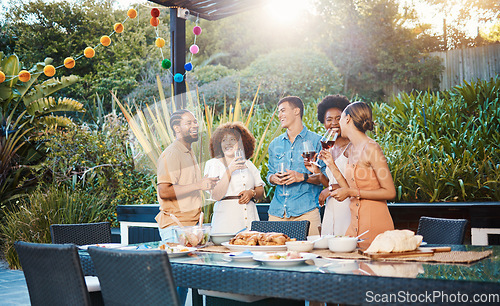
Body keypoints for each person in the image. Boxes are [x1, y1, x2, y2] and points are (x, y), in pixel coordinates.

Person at [330, 101, 396, 249]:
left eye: (340, 118)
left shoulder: (371, 148)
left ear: (347, 119)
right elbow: (348, 188)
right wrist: (330, 164)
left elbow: (390, 192)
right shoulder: (350, 149)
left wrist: (351, 192)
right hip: (354, 225)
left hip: (374, 224)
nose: (337, 123)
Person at [267, 96, 325, 236]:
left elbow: (324, 179)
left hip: (307, 213)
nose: (279, 115)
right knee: (273, 256)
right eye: (279, 112)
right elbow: (269, 174)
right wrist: (273, 178)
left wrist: (301, 177)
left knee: (310, 256)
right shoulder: (275, 144)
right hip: (277, 213)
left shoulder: (317, 141)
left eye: (283, 110)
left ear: (296, 111)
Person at [205, 122, 265, 233]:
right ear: (219, 144)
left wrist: (251, 193)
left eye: (233, 139)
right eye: (224, 140)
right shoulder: (213, 164)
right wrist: (230, 170)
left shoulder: (248, 164)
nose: (228, 143)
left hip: (251, 220)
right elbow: (216, 195)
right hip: (226, 222)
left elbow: (261, 191)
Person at [306, 95, 352, 236]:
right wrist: (317, 172)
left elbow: (357, 183)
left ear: (347, 119)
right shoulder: (329, 148)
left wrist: (330, 189)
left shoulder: (352, 146)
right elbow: (330, 182)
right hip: (332, 206)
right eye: (329, 119)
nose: (334, 123)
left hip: (348, 205)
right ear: (323, 122)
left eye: (338, 118)